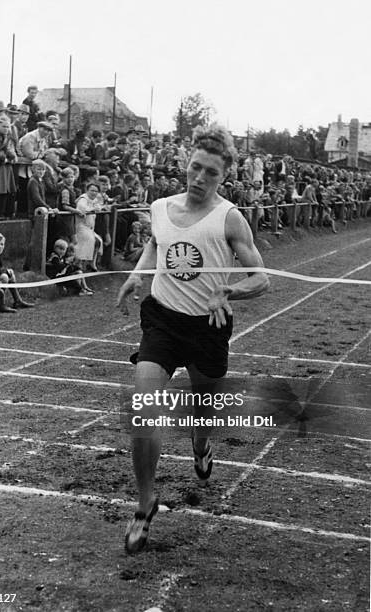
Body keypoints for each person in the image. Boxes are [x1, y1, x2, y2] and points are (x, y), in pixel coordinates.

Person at [116, 124, 270, 554]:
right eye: (195, 168)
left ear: (224, 177)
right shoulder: (161, 206)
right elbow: (153, 243)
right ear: (185, 164)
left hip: (208, 328)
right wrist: (136, 275)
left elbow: (261, 278)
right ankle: (146, 503)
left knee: (202, 416)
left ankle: (201, 446)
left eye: (211, 174)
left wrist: (231, 290)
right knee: (145, 409)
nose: (200, 178)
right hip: (162, 321)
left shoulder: (230, 217)